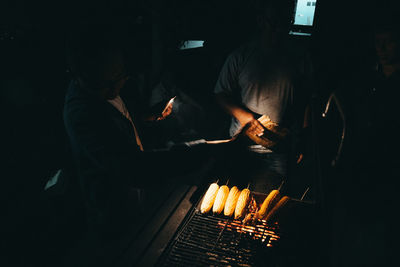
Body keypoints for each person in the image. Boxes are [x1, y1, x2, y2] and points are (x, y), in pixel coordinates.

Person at [63, 22, 208, 240]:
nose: (114, 90)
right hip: (112, 213)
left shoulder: (106, 85)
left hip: (135, 199)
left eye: (118, 77)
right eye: (102, 85)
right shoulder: (81, 114)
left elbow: (120, 121)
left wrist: (147, 116)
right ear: (78, 74)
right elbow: (131, 168)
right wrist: (199, 150)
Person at [214, 0, 312, 193]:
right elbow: (220, 94)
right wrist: (245, 117)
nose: (278, 28)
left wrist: (303, 139)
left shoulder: (299, 58)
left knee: (263, 213)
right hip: (241, 146)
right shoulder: (240, 56)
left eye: (283, 22)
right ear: (260, 21)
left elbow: (306, 102)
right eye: (272, 22)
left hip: (278, 150)